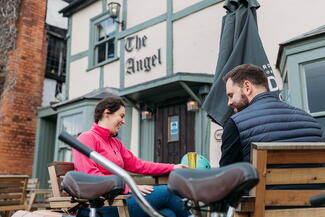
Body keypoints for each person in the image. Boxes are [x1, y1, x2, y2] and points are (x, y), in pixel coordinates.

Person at [73, 96, 191, 217]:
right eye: (121, 116)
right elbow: (90, 176)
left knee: (168, 213)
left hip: (120, 199)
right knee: (169, 192)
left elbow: (139, 165)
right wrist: (129, 187)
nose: (124, 121)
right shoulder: (87, 138)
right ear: (107, 113)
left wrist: (173, 167)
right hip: (102, 205)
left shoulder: (115, 143)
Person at [220, 64, 322, 167]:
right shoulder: (312, 123)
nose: (229, 102)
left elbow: (226, 178)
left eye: (231, 95)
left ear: (247, 87)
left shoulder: (235, 124)